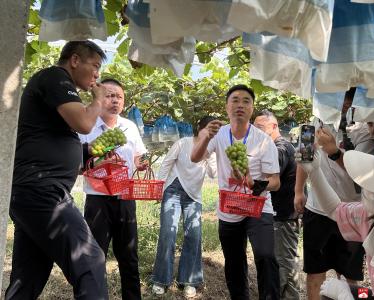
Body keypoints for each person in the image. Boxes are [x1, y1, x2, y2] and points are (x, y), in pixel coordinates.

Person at [7, 41, 109, 300]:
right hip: (42, 191)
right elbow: (85, 123)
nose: (97, 74)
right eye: (95, 66)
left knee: (28, 276)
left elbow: (55, 141)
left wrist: (83, 157)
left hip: (35, 191)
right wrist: (98, 100)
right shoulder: (55, 76)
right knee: (90, 260)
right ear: (75, 60)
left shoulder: (54, 90)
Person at [191, 84, 281, 300]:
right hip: (229, 207)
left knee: (266, 256)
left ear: (252, 108)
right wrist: (204, 136)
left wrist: (254, 183)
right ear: (227, 106)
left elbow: (275, 182)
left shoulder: (263, 141)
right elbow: (194, 157)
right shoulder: (218, 134)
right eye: (235, 100)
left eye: (246, 101)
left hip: (258, 206)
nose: (240, 105)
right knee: (233, 262)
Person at [299, 146, 374, 300]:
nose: (363, 187)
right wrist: (314, 171)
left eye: (370, 184)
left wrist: (345, 297)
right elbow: (335, 209)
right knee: (356, 292)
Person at [79, 78, 148, 300]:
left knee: (129, 256)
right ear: (98, 98)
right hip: (97, 198)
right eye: (109, 95)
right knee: (95, 255)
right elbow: (79, 163)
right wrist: (98, 160)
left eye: (118, 96)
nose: (114, 100)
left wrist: (140, 163)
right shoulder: (86, 126)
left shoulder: (130, 127)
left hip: (125, 197)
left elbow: (138, 155)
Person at [151, 116, 218, 298]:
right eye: (209, 130)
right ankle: (160, 279)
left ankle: (189, 280)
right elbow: (166, 164)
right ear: (200, 128)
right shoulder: (183, 143)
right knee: (167, 233)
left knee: (194, 236)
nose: (211, 134)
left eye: (215, 132)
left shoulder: (211, 150)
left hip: (193, 196)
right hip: (173, 189)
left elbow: (213, 174)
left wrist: (210, 154)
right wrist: (159, 188)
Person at [254, 110, 300, 300]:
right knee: (281, 264)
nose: (256, 133)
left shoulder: (280, 148)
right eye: (254, 129)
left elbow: (270, 175)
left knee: (284, 265)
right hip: (280, 216)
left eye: (260, 128)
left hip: (283, 217)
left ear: (274, 126)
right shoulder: (278, 146)